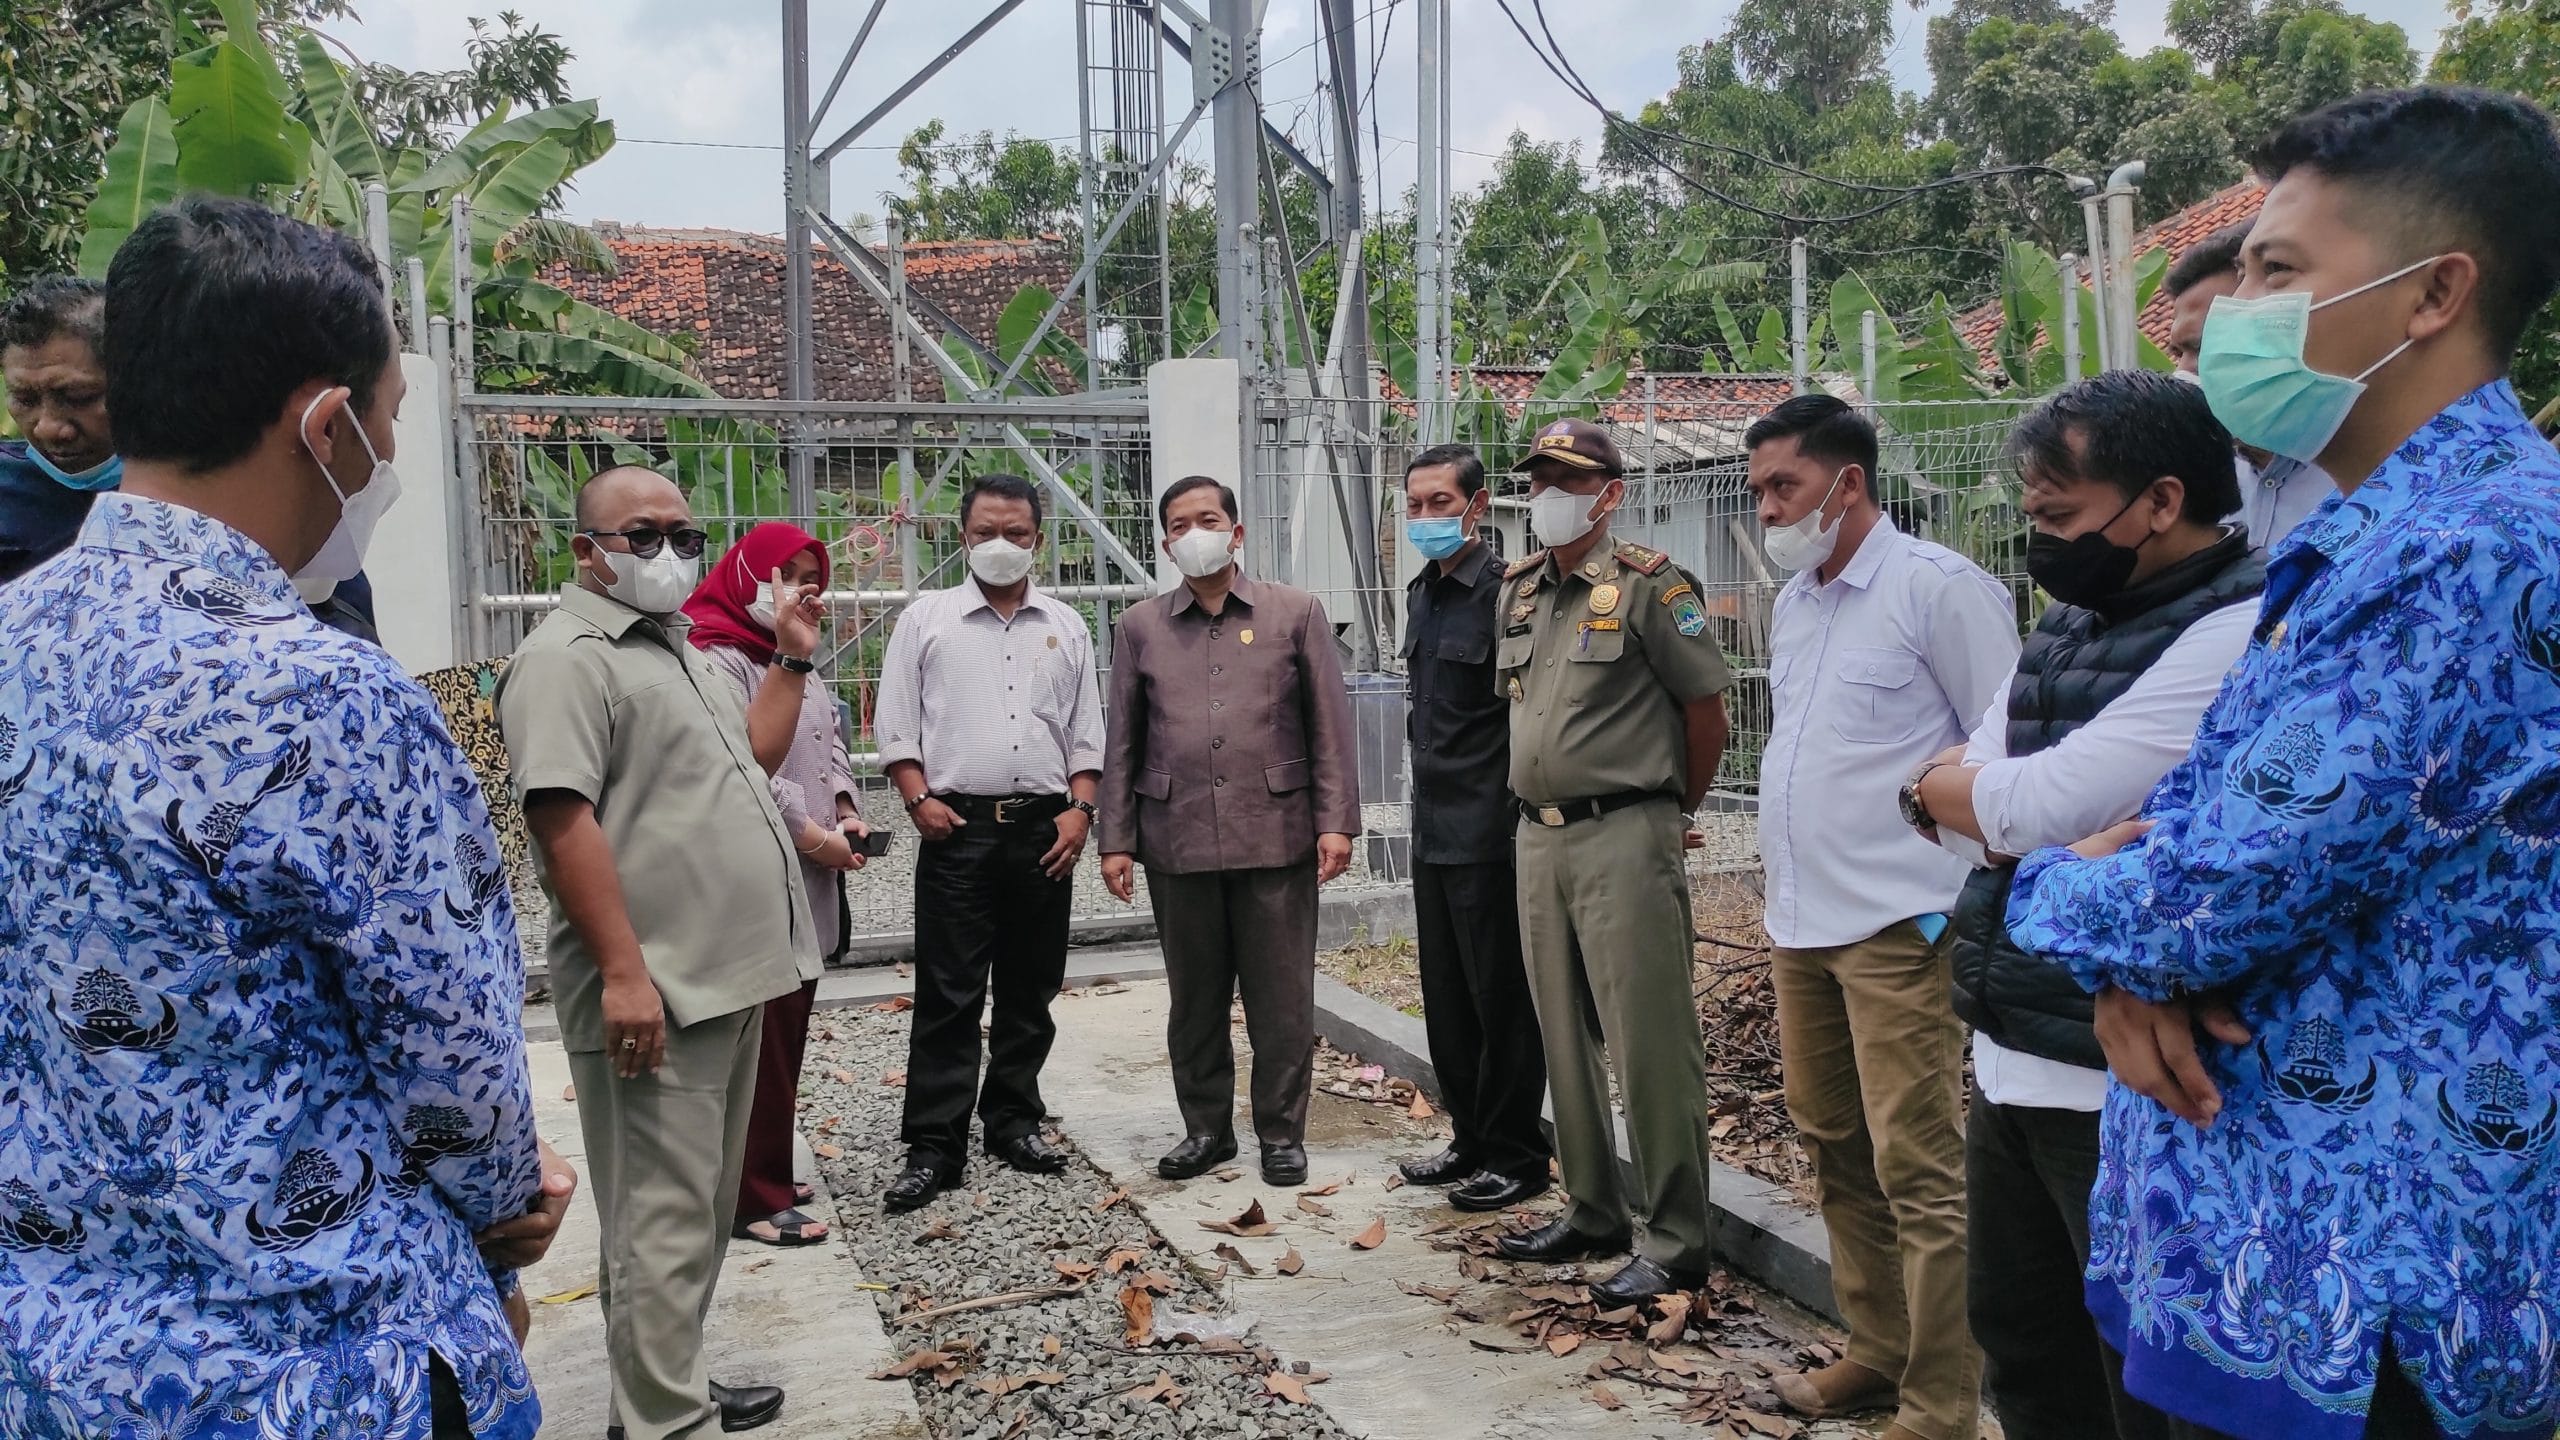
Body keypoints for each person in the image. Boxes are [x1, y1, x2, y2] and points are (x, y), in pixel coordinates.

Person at [2009, 86, 2560, 1440]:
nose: (2230, 313)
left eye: (2277, 270)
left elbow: (2211, 891)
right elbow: (2228, 861)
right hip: (2276, 1252)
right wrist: (2144, 949)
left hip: (2358, 1288)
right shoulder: (2378, 536)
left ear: (2433, 292)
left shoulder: (2457, 553)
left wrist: (2049, 893)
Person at [0, 196, 573, 1439]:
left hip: (52, 1365)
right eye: (387, 423)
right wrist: (503, 1215)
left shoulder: (9, 640)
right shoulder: (325, 698)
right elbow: (462, 1098)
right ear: (324, 426)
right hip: (320, 1370)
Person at [1903, 371, 2261, 1440]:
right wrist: (1963, 798)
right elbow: (1992, 800)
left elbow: (2027, 801)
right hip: (2009, 1044)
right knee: (2023, 1350)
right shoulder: (2064, 624)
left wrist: (1956, 795)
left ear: (2158, 500)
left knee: (2131, 1380)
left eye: (2057, 514)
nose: (2037, 537)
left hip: (2118, 1085)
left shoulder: (2234, 628)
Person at [497, 466, 825, 1438]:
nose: (669, 552)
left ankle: (661, 1383)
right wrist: (626, 976)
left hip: (726, 977)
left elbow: (750, 763)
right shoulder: (567, 657)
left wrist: (792, 658)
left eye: (683, 533)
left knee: (692, 1213)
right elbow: (563, 821)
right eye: (642, 535)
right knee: (659, 1223)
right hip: (658, 990)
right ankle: (658, 1420)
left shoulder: (675, 647)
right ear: (585, 551)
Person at [1744, 394, 2016, 1440]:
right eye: (1760, 489)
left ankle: (1943, 1402)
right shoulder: (1796, 601)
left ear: (1848, 483)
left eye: (1786, 488)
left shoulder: (1937, 591)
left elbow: (2008, 753)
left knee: (1919, 1164)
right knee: (1831, 1142)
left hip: (1903, 923)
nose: (1770, 510)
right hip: (1800, 920)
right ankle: (1878, 1348)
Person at [1490, 418, 1732, 1308]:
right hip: (1537, 834)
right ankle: (1593, 1209)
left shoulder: (1649, 588)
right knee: (1562, 1028)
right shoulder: (1517, 592)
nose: (1549, 495)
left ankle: (1677, 1241)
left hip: (1625, 831)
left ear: (1610, 493)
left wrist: (1673, 813)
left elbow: (1706, 713)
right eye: (1540, 478)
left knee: (1650, 1039)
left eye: (1568, 479)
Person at [1098, 474, 1359, 1188]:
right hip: (1175, 839)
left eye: (1207, 519)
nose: (1194, 533)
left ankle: (1281, 1133)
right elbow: (1123, 739)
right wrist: (1115, 838)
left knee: (1280, 995)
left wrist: (1335, 823)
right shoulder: (1140, 627)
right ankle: (1206, 1130)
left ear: (1237, 531)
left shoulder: (1294, 613)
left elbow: (1329, 729)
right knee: (1195, 997)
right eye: (1179, 525)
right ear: (1165, 543)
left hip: (1276, 834)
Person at [874, 474, 1105, 1211]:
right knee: (948, 990)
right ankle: (934, 1143)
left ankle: (1012, 1118)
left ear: (1039, 540)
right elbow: (896, 725)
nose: (1000, 547)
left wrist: (1081, 812)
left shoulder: (1067, 625)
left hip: (1045, 829)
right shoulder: (926, 620)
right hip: (957, 826)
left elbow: (1087, 732)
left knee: (1031, 985)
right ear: (962, 536)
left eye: (1015, 534)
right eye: (984, 534)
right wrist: (918, 800)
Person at [2, 273, 386, 636]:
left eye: (79, 398)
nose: (48, 426)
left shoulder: (228, 489)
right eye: (25, 399)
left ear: (138, 383)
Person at [681, 522, 872, 1246]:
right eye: (784, 572)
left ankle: (761, 1167)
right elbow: (747, 765)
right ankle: (752, 1200)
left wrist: (848, 812)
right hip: (758, 872)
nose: (801, 587)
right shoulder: (718, 659)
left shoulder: (796, 658)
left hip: (811, 873)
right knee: (757, 1038)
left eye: (809, 572)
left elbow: (830, 747)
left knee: (786, 1033)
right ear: (745, 574)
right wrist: (817, 838)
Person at [1392, 443, 1551, 1211]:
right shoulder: (1424, 593)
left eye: (1440, 504)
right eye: (1415, 505)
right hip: (1434, 830)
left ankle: (1518, 1155)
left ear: (1478, 507)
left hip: (1492, 832)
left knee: (1501, 1002)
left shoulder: (1509, 594)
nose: (1425, 517)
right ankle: (1471, 1139)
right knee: (1447, 998)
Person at [2165, 223, 2338, 553]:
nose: (2183, 372)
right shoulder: (2193, 491)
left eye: (2205, 349)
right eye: (2179, 352)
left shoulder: (2367, 478)